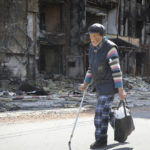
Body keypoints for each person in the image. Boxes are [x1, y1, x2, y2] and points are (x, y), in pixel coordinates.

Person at [78, 23, 126, 149]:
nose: (93, 39)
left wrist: (121, 90)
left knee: (100, 113)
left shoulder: (110, 48)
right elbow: (91, 68)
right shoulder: (92, 47)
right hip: (99, 86)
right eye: (91, 36)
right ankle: (122, 130)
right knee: (107, 112)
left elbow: (116, 71)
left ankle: (101, 139)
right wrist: (85, 83)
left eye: (96, 36)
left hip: (109, 86)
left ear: (102, 36)